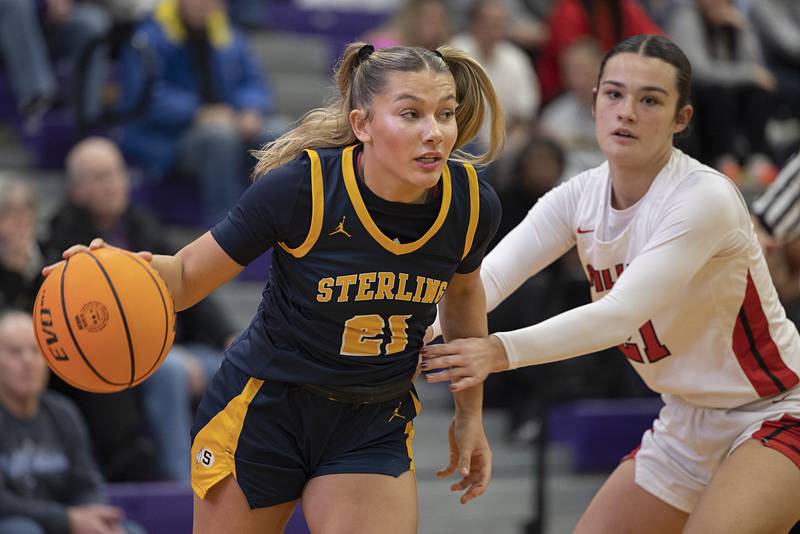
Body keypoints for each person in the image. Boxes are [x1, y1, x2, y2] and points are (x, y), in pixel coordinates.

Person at [46, 42, 505, 533]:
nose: (435, 132)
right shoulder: (302, 189)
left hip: (373, 418)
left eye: (445, 114)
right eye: (411, 114)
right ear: (362, 125)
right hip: (266, 409)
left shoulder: (471, 205)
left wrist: (469, 413)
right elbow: (183, 278)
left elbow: (463, 296)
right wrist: (112, 269)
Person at [421, 34, 800, 534]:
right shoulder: (577, 196)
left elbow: (619, 315)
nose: (627, 112)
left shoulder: (703, 197)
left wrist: (498, 351)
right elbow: (487, 280)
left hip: (775, 409)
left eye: (650, 100)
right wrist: (415, 330)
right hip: (684, 420)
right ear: (595, 100)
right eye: (615, 94)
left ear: (681, 118)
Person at [48, 136, 237, 484]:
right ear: (77, 190)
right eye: (101, 177)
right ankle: (182, 483)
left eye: (117, 173)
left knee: (238, 361)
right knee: (171, 372)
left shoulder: (141, 225)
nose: (113, 184)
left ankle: (239, 472)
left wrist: (227, 334)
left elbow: (188, 283)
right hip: (125, 357)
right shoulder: (64, 240)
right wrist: (169, 354)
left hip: (174, 346)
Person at [117, 0, 275, 225]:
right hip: (169, 138)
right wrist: (198, 112)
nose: (204, 4)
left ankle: (278, 222)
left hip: (228, 121)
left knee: (279, 133)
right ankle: (227, 228)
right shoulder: (148, 37)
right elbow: (144, 97)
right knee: (220, 138)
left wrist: (250, 109)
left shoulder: (229, 35)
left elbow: (254, 83)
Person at [0, 311, 146, 534]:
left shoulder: (63, 412)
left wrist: (95, 515)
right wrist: (67, 519)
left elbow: (86, 483)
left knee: (130, 530)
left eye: (36, 351)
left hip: (66, 521)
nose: (28, 361)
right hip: (21, 523)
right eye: (14, 352)